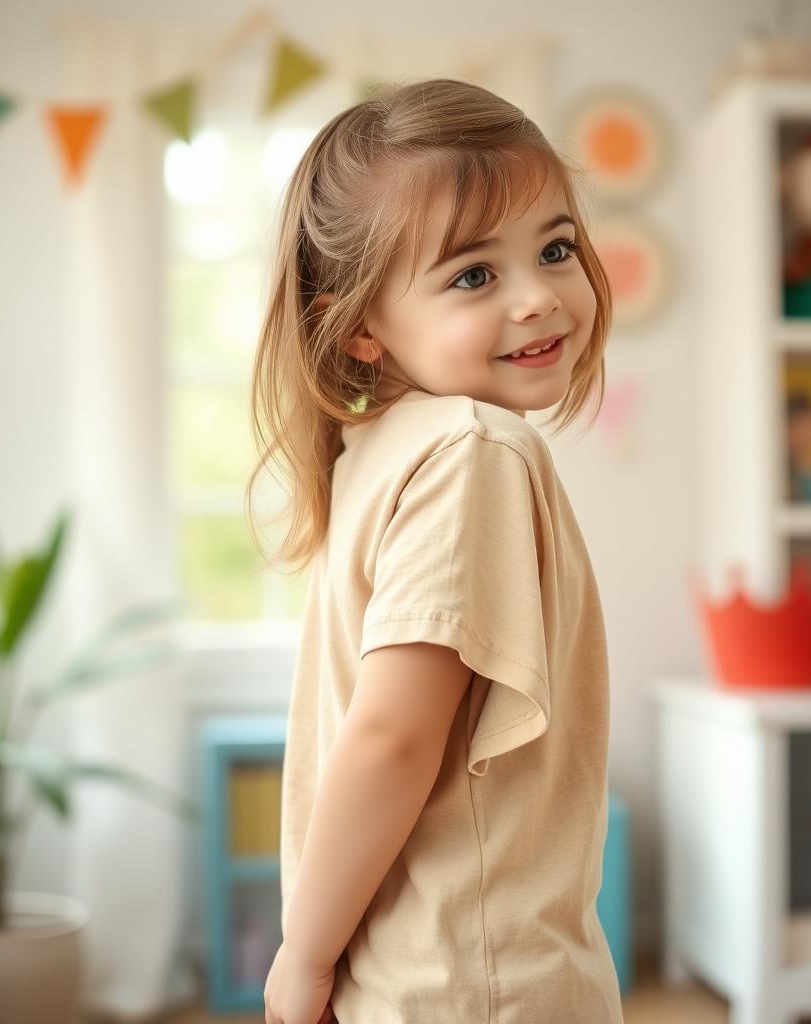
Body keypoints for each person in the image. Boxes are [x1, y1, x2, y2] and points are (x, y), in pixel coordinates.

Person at [250, 76, 622, 1024]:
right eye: (473, 275)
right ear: (363, 324)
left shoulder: (378, 448)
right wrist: (301, 956)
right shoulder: (472, 452)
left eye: (555, 248)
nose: (540, 297)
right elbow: (393, 737)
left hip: (419, 965)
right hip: (484, 979)